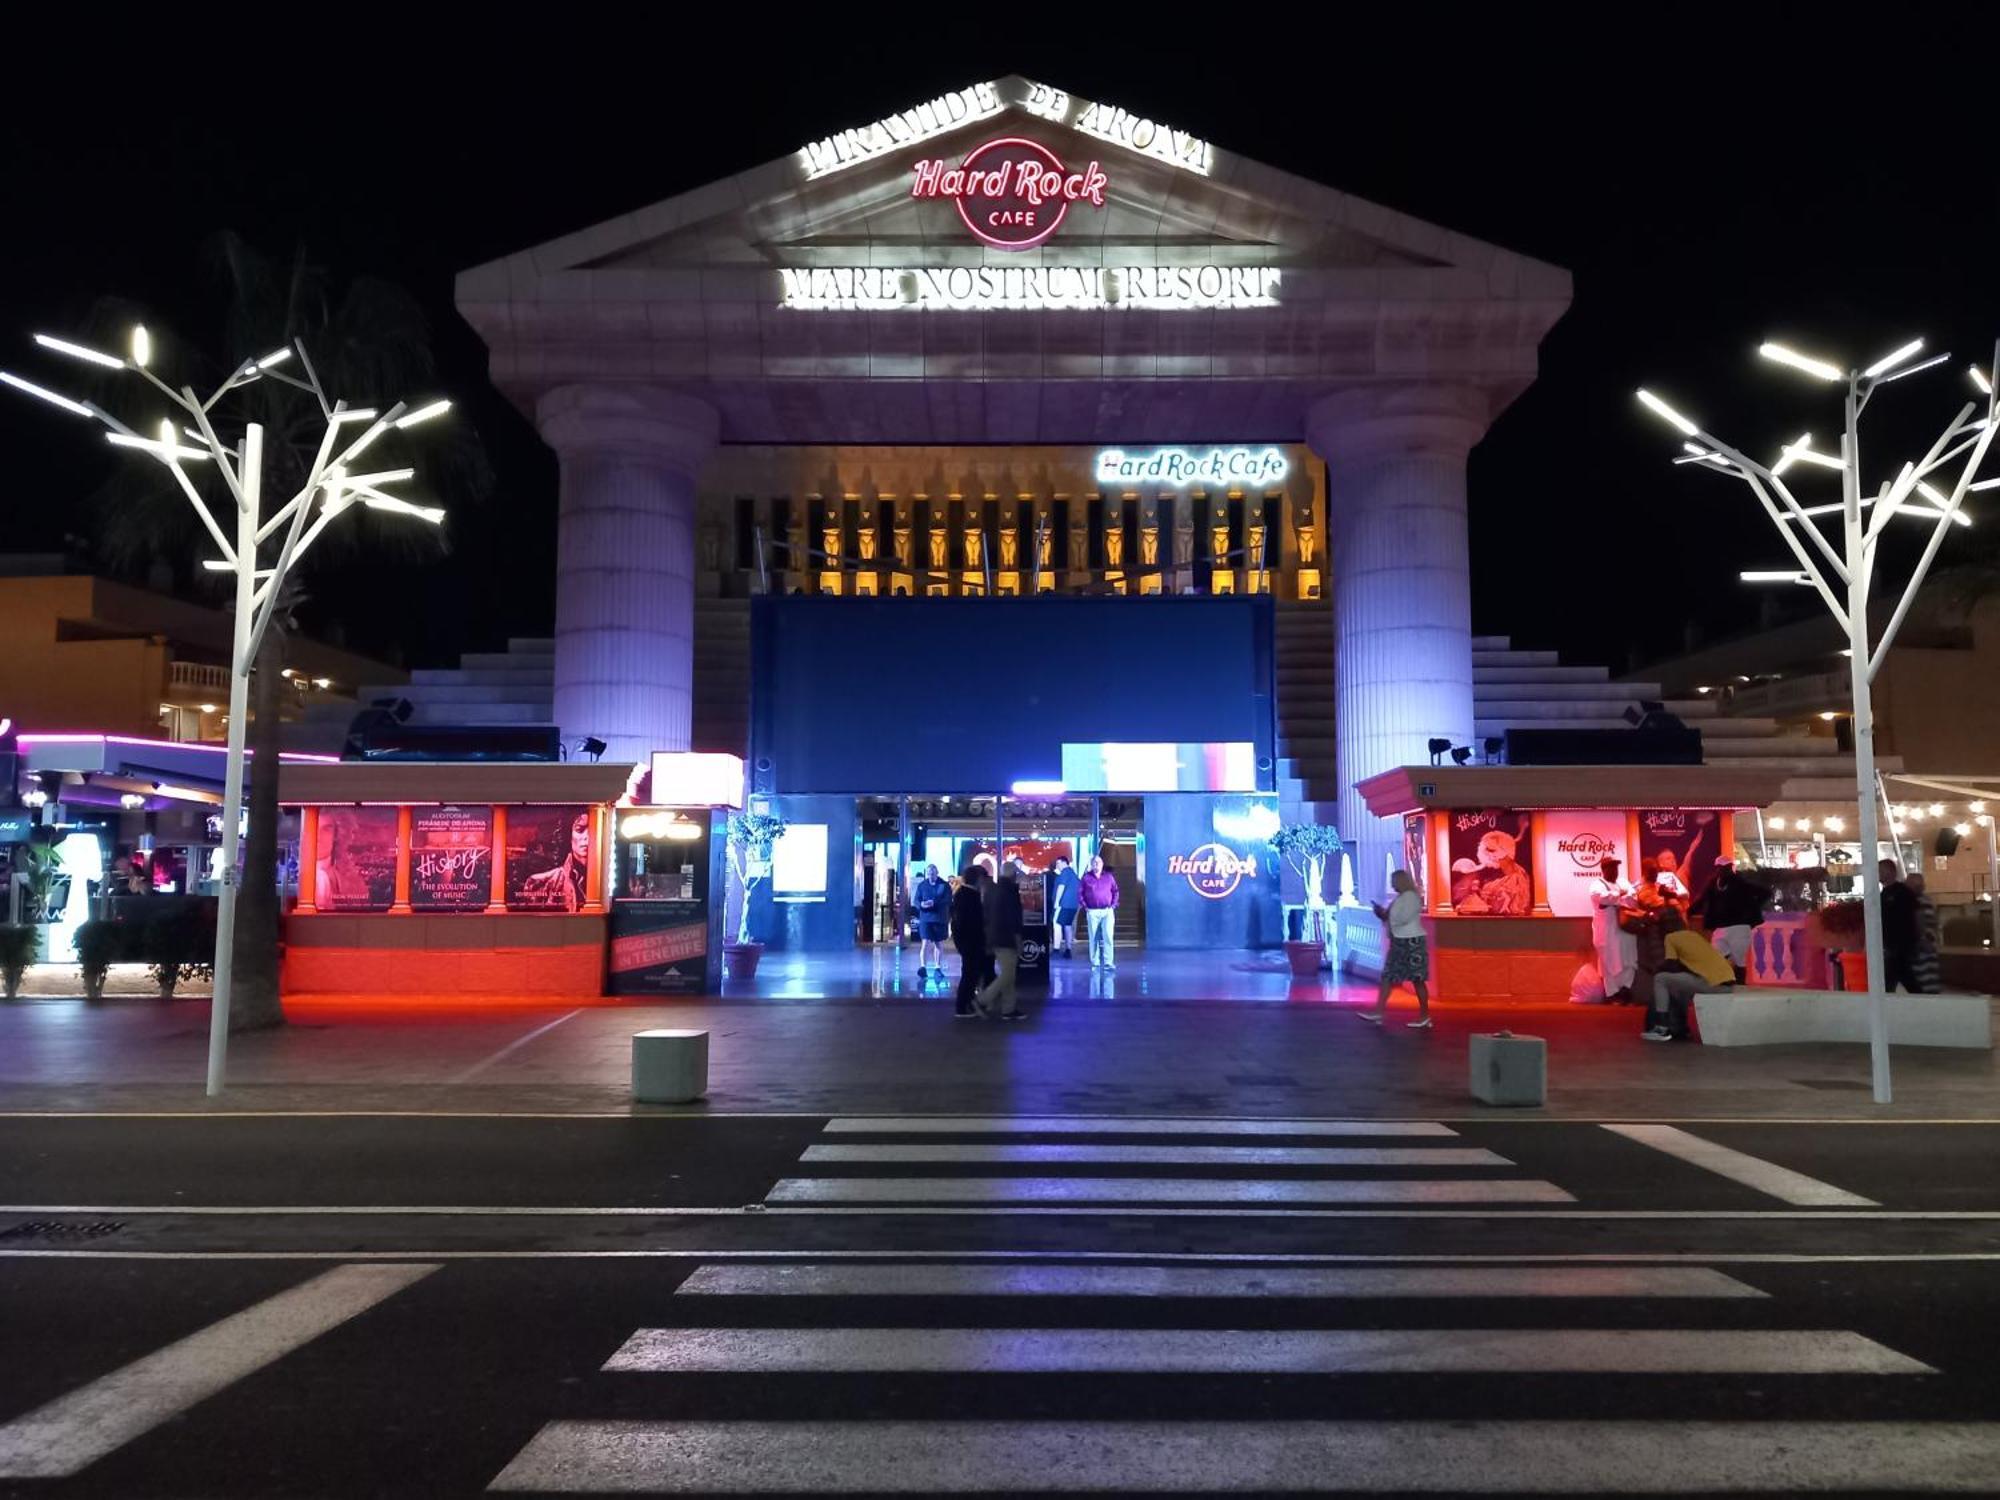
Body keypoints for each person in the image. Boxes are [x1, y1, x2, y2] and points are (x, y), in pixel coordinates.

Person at [1644, 913, 1736, 1041]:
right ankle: (1681, 1028)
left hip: (1711, 984)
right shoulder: (1695, 935)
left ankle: (1661, 1027)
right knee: (1682, 986)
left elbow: (1671, 964)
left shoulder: (1670, 937)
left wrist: (1654, 969)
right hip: (1727, 984)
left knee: (1660, 979)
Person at [1360, 869, 1431, 1028]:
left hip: (1412, 942)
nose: (1392, 884)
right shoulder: (1400, 899)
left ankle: (1425, 1016)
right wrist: (1381, 913)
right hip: (1399, 941)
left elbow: (1403, 918)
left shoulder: (1412, 897)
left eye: (1394, 881)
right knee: (1388, 976)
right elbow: (1391, 917)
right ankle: (1378, 1011)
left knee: (1417, 979)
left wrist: (1389, 915)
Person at [1697, 858, 1769, 982]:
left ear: (1730, 867)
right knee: (1717, 957)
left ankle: (1740, 987)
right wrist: (1689, 911)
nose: (1722, 869)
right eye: (1720, 867)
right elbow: (1702, 900)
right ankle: (1725, 984)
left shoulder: (1740, 883)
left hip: (1739, 928)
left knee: (1739, 961)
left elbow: (1765, 893)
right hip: (1721, 928)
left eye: (1725, 867)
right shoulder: (1714, 884)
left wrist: (1752, 908)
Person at [1588, 856, 1639, 1003]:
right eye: (1611, 868)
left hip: (1624, 933)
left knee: (1627, 961)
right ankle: (1612, 994)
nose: (1615, 871)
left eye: (1616, 867)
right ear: (1604, 870)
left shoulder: (1622, 882)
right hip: (1606, 933)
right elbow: (1603, 898)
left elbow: (1633, 899)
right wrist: (1620, 895)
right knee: (1609, 963)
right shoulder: (1596, 885)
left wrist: (1619, 897)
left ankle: (1625, 990)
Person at [975, 873, 1025, 1020]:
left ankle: (1008, 1008)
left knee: (1009, 973)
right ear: (1013, 875)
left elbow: (988, 916)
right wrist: (1017, 938)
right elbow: (1013, 919)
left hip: (995, 937)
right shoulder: (1010, 892)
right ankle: (982, 1000)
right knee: (1008, 974)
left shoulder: (994, 891)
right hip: (1006, 938)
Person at [521, 811, 592, 912]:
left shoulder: (606, 880)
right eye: (579, 830)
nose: (587, 837)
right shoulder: (542, 883)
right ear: (568, 835)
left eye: (593, 830)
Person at [949, 867, 989, 1019]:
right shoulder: (969, 896)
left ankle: (966, 1003)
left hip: (967, 941)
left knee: (971, 972)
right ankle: (963, 1006)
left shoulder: (963, 894)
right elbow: (969, 922)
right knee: (970, 973)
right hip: (970, 941)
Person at [1878, 859, 1922, 993]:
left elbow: (1916, 915)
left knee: (1897, 977)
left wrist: (1917, 938)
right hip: (1893, 945)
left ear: (1891, 872)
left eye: (1881, 870)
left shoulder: (1902, 892)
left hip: (1901, 945)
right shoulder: (1884, 894)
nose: (1878, 874)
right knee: (1902, 977)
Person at [1079, 854, 1120, 969]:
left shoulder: (1109, 877)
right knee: (1093, 938)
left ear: (1102, 865)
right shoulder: (1086, 878)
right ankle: (1095, 962)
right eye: (1094, 863)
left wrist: (1113, 905)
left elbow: (1115, 891)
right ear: (1091, 865)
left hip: (1107, 911)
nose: (1096, 865)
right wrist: (1085, 906)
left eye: (1099, 863)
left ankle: (1108, 962)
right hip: (1092, 911)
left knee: (1108, 936)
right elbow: (1080, 893)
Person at [911, 863, 950, 982]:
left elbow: (948, 900)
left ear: (937, 873)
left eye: (933, 873)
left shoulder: (944, 885)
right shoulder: (922, 885)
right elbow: (916, 900)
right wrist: (921, 904)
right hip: (926, 919)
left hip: (939, 919)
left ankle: (937, 968)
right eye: (928, 873)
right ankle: (923, 967)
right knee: (925, 943)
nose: (931, 876)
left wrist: (934, 903)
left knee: (938, 943)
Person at [1908, 871, 1943, 994]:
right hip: (1928, 945)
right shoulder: (1926, 901)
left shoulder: (1916, 902)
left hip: (1922, 946)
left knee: (1923, 978)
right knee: (1929, 978)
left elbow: (1921, 923)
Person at [1047, 855, 1080, 957]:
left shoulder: (1064, 873)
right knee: (1067, 926)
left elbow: (1061, 887)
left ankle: (1056, 949)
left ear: (1064, 863)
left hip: (1063, 904)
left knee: (1056, 925)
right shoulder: (1073, 874)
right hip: (1073, 905)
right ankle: (1068, 949)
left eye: (1058, 863)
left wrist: (1057, 902)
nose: (1057, 866)